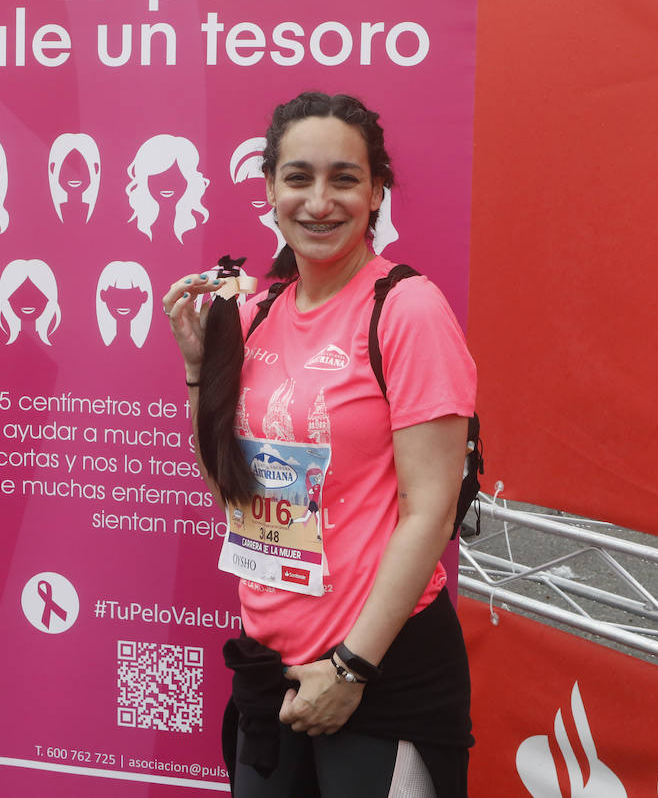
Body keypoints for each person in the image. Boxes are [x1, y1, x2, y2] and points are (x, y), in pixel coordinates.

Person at [164, 92, 475, 797]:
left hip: (380, 670)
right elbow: (233, 494)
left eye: (344, 178)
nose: (319, 201)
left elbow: (431, 511)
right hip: (269, 667)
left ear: (376, 192)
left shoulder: (407, 309)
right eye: (298, 178)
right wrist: (196, 372)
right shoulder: (252, 312)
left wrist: (352, 669)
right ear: (270, 190)